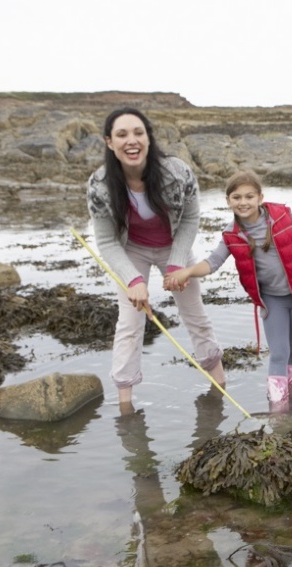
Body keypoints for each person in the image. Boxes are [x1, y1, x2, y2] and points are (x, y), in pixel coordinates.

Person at [165, 169, 292, 411]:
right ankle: (278, 409)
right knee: (279, 352)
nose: (243, 202)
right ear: (228, 201)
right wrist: (186, 272)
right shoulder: (231, 235)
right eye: (237, 197)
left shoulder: (281, 218)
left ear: (260, 198)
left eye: (249, 196)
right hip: (271, 299)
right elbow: (213, 262)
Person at [86, 107, 224, 407]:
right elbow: (108, 241)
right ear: (109, 142)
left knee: (195, 315)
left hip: (174, 246)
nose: (131, 140)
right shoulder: (99, 186)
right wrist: (133, 280)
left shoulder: (178, 172)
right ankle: (125, 406)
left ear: (149, 138)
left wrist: (177, 264)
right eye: (122, 134)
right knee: (129, 322)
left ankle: (220, 386)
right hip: (131, 249)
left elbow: (190, 219)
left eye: (138, 132)